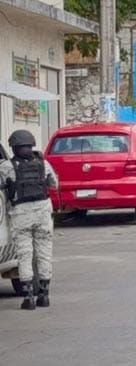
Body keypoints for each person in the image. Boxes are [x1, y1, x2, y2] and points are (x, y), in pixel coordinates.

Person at [0, 130, 59, 310]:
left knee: (24, 254)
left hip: (21, 213)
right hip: (43, 211)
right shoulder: (44, 163)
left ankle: (29, 298)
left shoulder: (6, 166)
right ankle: (44, 295)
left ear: (14, 147)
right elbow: (54, 184)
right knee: (44, 252)